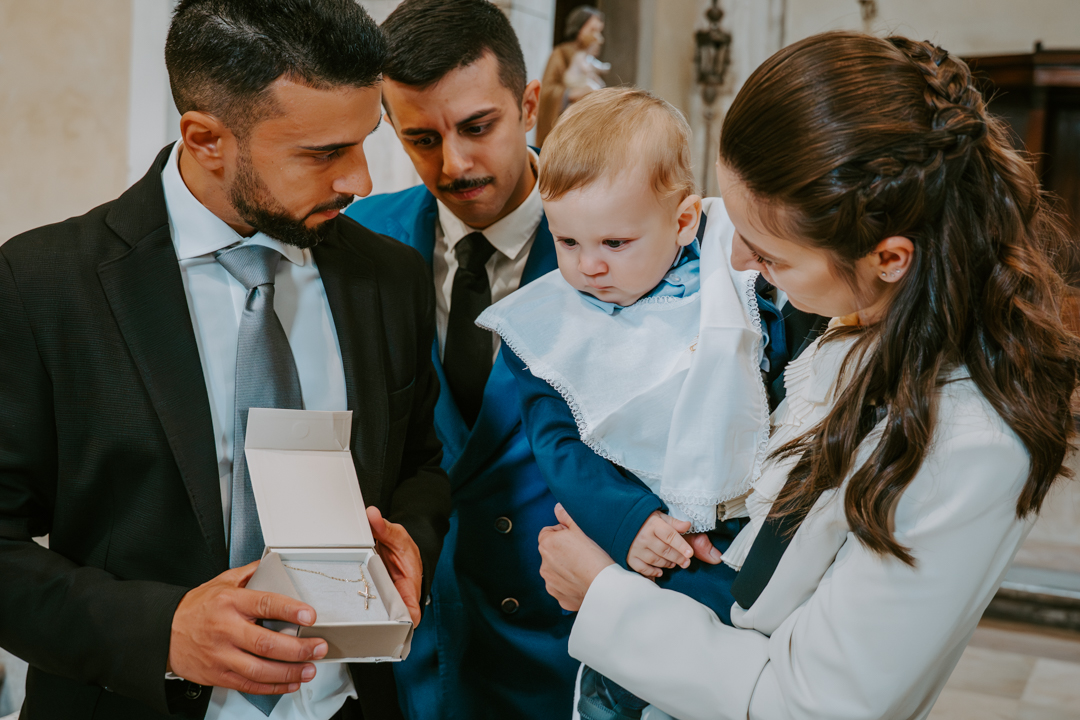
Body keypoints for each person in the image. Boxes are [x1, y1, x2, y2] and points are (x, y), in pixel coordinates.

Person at [537, 31, 1080, 720]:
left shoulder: (969, 441)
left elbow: (814, 704)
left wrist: (604, 597)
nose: (734, 260)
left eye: (770, 256)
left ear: (889, 258)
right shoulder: (863, 315)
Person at [0, 1, 451, 719]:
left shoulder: (388, 278)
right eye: (323, 153)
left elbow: (420, 465)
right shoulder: (43, 284)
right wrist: (161, 633)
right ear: (206, 138)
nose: (360, 181)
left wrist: (411, 542)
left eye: (364, 141)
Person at [476, 87, 771, 720]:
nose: (588, 267)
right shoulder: (548, 326)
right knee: (622, 691)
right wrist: (628, 520)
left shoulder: (733, 273)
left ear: (684, 221)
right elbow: (556, 445)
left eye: (614, 244)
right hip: (634, 549)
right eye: (567, 242)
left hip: (741, 533)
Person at [342, 1, 578, 718]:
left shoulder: (616, 246)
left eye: (479, 127)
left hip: (566, 652)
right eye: (421, 138)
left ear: (529, 104)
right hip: (416, 657)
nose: (455, 163)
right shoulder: (358, 241)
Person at [536, 5, 607, 147]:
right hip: (565, 133)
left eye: (599, 31)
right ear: (579, 30)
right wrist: (571, 94)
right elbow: (546, 92)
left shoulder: (589, 60)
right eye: (592, 30)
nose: (598, 37)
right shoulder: (560, 54)